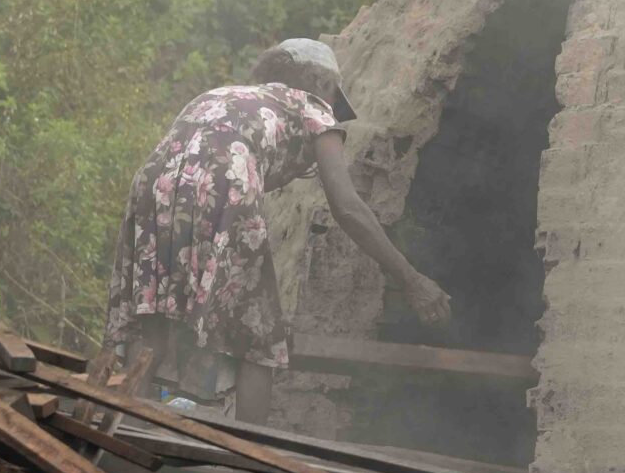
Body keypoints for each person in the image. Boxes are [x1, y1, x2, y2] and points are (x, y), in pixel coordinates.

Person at [104, 38, 450, 423]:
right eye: (334, 93)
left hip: (152, 187)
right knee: (260, 334)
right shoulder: (314, 108)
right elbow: (348, 207)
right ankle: (251, 460)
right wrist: (410, 278)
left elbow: (186, 160)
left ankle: (126, 427)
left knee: (151, 311)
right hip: (225, 185)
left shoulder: (218, 95)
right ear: (321, 84)